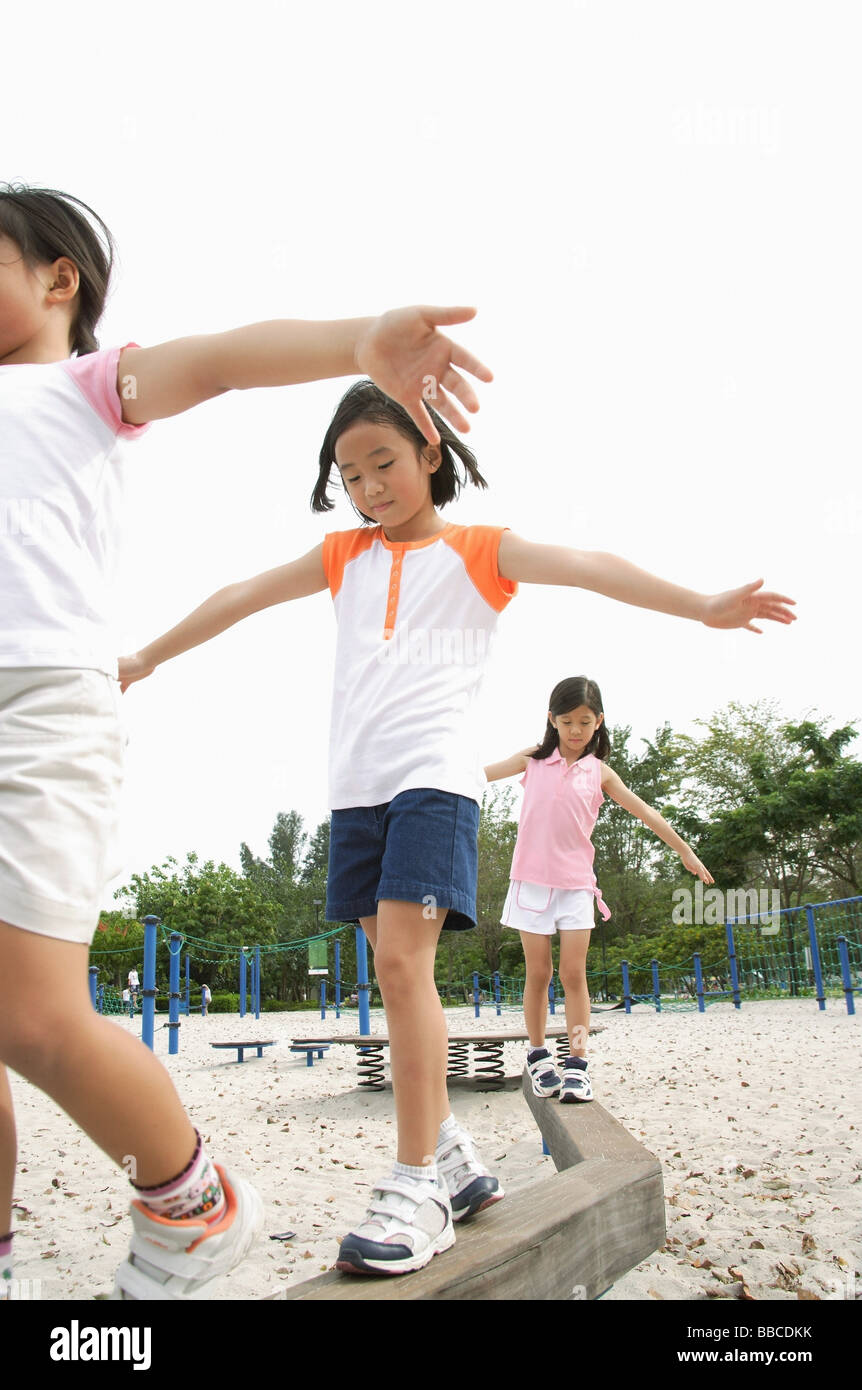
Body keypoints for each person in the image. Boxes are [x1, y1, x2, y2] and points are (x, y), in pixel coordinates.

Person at [119, 379, 795, 1277]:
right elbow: (241, 592)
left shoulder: (481, 550)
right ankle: (457, 1162)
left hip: (434, 787)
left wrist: (702, 606)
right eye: (350, 473)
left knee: (404, 968)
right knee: (389, 974)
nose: (368, 486)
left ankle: (417, 1187)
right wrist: (146, 657)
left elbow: (593, 563)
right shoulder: (341, 558)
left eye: (384, 463)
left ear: (430, 455)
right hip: (354, 796)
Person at [0, 183, 493, 1302]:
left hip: (33, 705)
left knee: (29, 1015)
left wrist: (354, 343)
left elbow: (221, 357)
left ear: (55, 279)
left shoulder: (86, 385)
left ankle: (189, 1199)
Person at [485, 676, 715, 1104]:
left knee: (573, 974)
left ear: (598, 723)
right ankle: (538, 1057)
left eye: (584, 721)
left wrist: (685, 851)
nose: (575, 730)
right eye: (567, 720)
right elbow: (476, 775)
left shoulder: (600, 772)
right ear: (552, 720)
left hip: (576, 887)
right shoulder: (532, 760)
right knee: (539, 974)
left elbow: (646, 812)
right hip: (530, 884)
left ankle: (576, 1065)